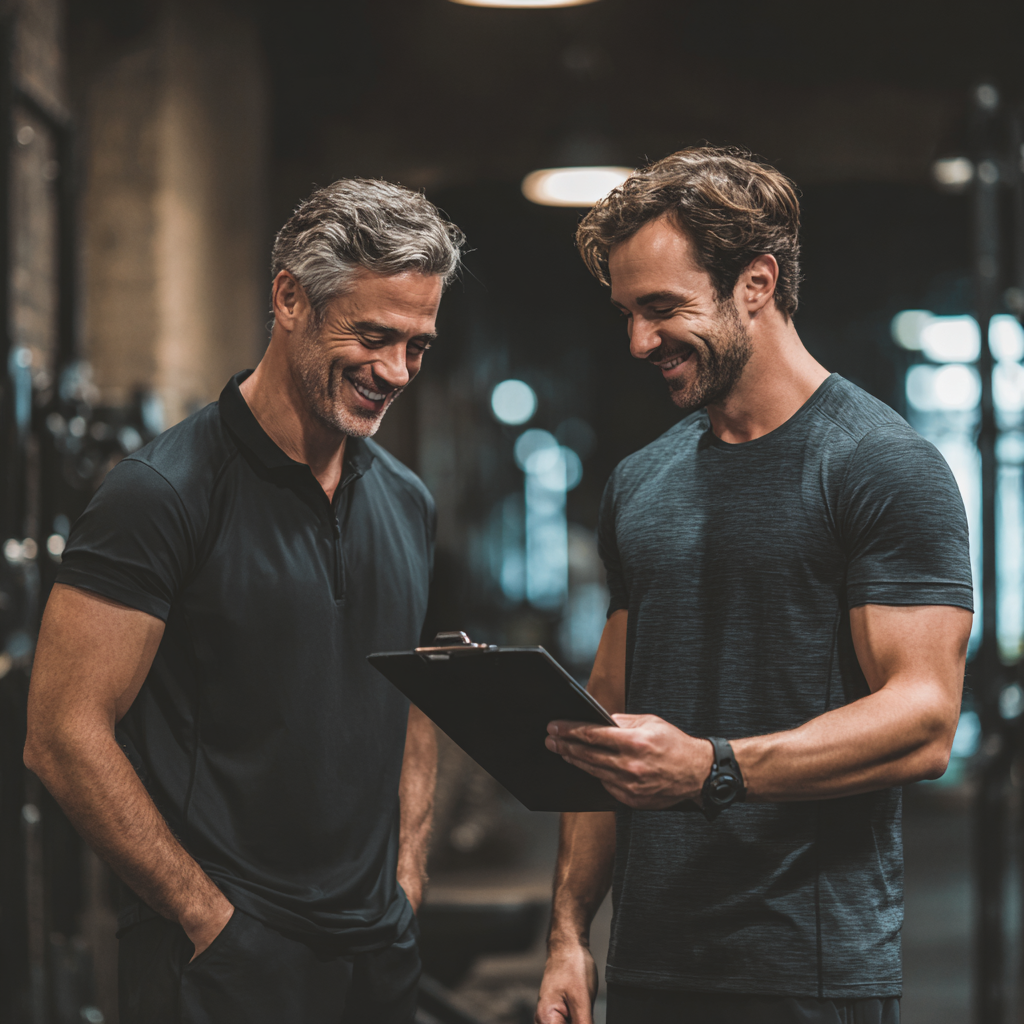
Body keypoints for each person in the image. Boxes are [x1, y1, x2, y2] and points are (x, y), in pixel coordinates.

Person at [535, 147, 972, 1024]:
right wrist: (570, 935)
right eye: (626, 313)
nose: (638, 342)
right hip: (654, 963)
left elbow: (923, 720)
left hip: (807, 972)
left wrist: (710, 767)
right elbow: (608, 721)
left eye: (662, 309)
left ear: (757, 283)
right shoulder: (641, 482)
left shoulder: (879, 465)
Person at [24, 178, 464, 1024]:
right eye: (373, 336)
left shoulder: (407, 500)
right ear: (290, 298)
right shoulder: (162, 493)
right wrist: (206, 918)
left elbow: (415, 696)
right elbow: (61, 733)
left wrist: (406, 877)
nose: (396, 371)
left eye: (418, 346)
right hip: (223, 962)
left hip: (376, 951)